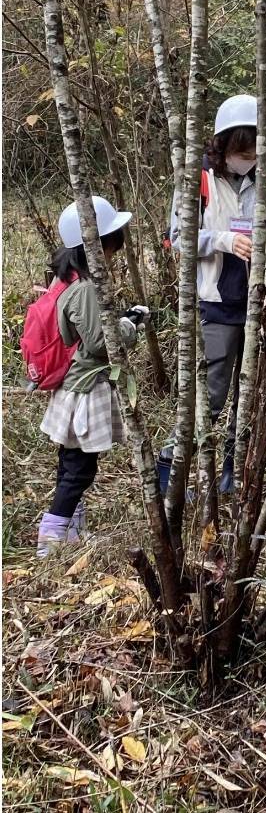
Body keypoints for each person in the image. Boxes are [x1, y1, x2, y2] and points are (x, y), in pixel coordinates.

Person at [36, 197, 147, 558]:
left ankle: (68, 527)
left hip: (76, 387)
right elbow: (100, 342)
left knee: (72, 465)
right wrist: (129, 326)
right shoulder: (83, 290)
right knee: (79, 470)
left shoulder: (70, 285)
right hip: (85, 389)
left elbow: (77, 336)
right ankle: (53, 534)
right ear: (95, 247)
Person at [169, 94, 255, 495]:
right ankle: (174, 473)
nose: (248, 158)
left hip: (257, 303)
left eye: (254, 151)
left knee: (248, 395)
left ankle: (232, 475)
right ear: (223, 146)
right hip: (216, 303)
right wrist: (221, 239)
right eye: (242, 151)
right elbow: (176, 239)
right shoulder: (198, 180)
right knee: (213, 392)